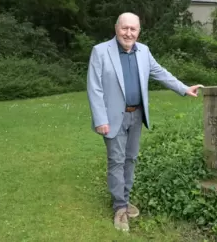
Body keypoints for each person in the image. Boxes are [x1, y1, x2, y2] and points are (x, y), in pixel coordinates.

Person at [86, 12, 203, 232]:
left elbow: (160, 73)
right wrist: (100, 119)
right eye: (125, 28)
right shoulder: (101, 51)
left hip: (136, 115)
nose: (128, 33)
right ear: (116, 28)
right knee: (116, 160)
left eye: (133, 29)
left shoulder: (144, 52)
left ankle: (125, 199)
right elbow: (94, 88)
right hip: (112, 118)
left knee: (131, 159)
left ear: (138, 31)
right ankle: (120, 208)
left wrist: (184, 88)